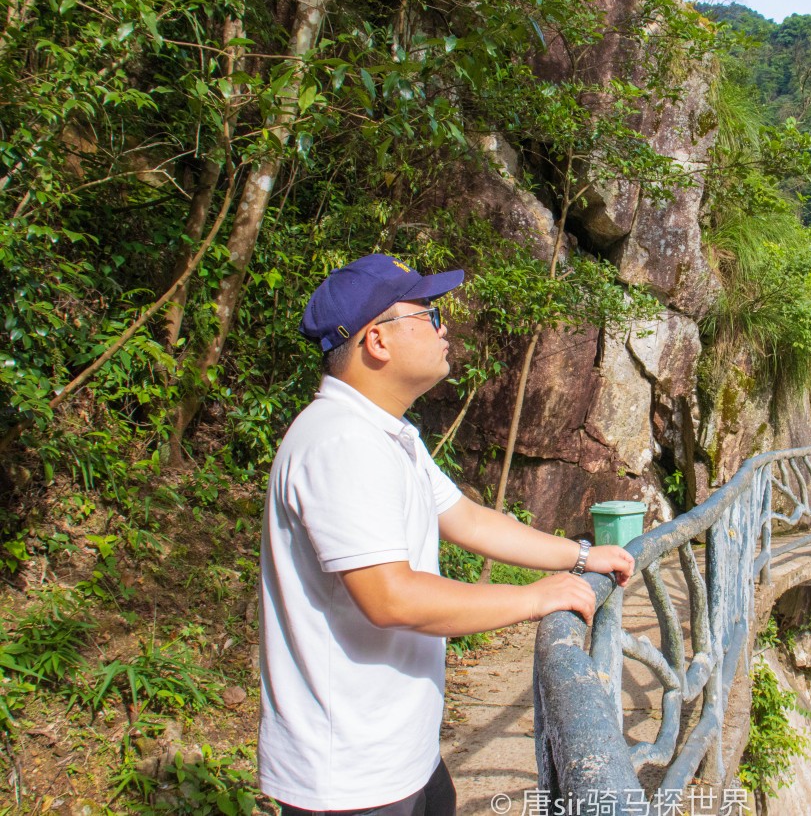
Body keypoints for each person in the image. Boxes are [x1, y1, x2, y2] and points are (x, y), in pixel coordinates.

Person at [258, 253, 636, 815]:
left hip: (402, 752)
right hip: (350, 776)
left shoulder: (388, 434)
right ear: (377, 341)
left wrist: (582, 556)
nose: (444, 327)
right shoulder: (340, 442)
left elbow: (470, 520)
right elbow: (390, 596)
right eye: (428, 314)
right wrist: (533, 599)